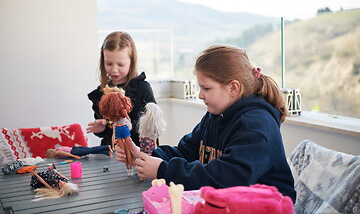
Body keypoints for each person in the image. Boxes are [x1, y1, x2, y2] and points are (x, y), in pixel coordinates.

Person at [115, 45, 297, 203]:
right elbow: (186, 151)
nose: (200, 95)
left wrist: (163, 170)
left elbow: (224, 180)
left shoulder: (256, 127)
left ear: (233, 88)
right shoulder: (216, 115)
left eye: (206, 88)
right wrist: (145, 156)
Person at [87, 31, 156, 147]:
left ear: (131, 62)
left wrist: (129, 125)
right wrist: (102, 128)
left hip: (138, 150)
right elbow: (105, 131)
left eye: (120, 65)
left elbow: (152, 123)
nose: (114, 70)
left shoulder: (142, 88)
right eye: (109, 64)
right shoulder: (100, 93)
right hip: (111, 151)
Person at [46, 144, 113, 159]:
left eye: (50, 156)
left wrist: (75, 156)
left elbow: (65, 153)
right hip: (75, 149)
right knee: (90, 151)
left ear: (51, 153)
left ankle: (106, 147)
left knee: (90, 150)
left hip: (74, 152)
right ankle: (107, 152)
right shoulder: (57, 150)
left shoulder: (57, 152)